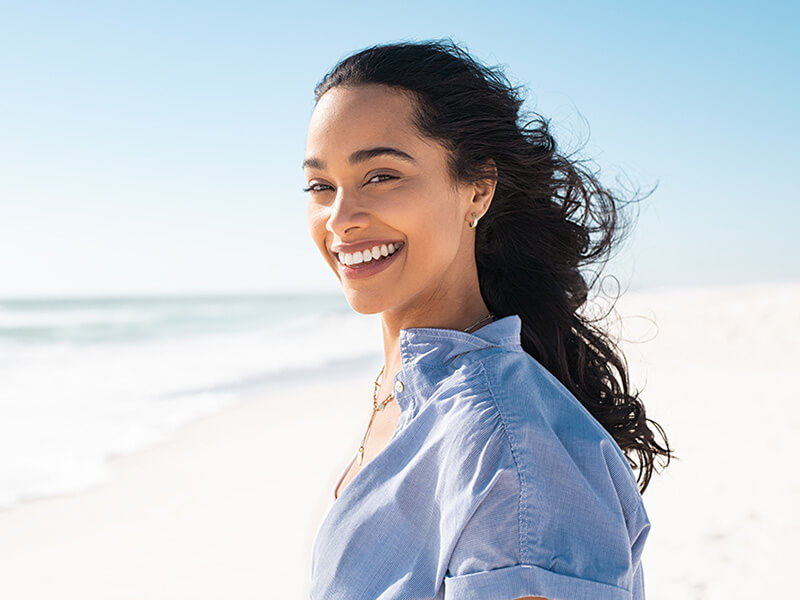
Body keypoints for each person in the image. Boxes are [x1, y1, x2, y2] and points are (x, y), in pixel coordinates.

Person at [302, 39, 671, 600]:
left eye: (381, 176)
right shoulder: (409, 388)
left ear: (477, 189)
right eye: (321, 186)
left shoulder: (510, 447)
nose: (341, 218)